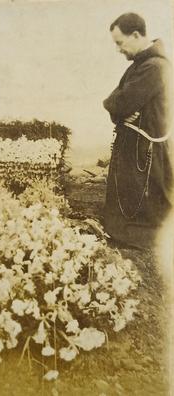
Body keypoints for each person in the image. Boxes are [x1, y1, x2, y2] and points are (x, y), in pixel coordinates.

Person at [103, 13, 173, 249]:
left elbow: (120, 102)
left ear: (135, 35)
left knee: (144, 215)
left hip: (144, 150)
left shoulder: (154, 66)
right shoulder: (140, 65)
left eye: (120, 43)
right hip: (134, 146)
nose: (118, 49)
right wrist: (119, 111)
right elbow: (112, 101)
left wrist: (120, 108)